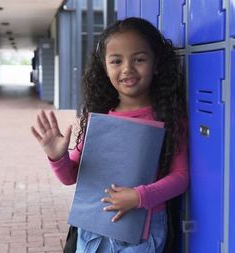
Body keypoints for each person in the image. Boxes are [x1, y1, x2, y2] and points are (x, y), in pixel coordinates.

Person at [31, 17, 188, 253]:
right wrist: (57, 157)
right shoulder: (100, 117)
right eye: (116, 61)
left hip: (141, 233)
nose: (127, 68)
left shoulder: (169, 118)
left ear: (156, 64)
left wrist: (139, 196)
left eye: (139, 59)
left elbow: (181, 176)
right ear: (105, 68)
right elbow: (71, 176)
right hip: (93, 230)